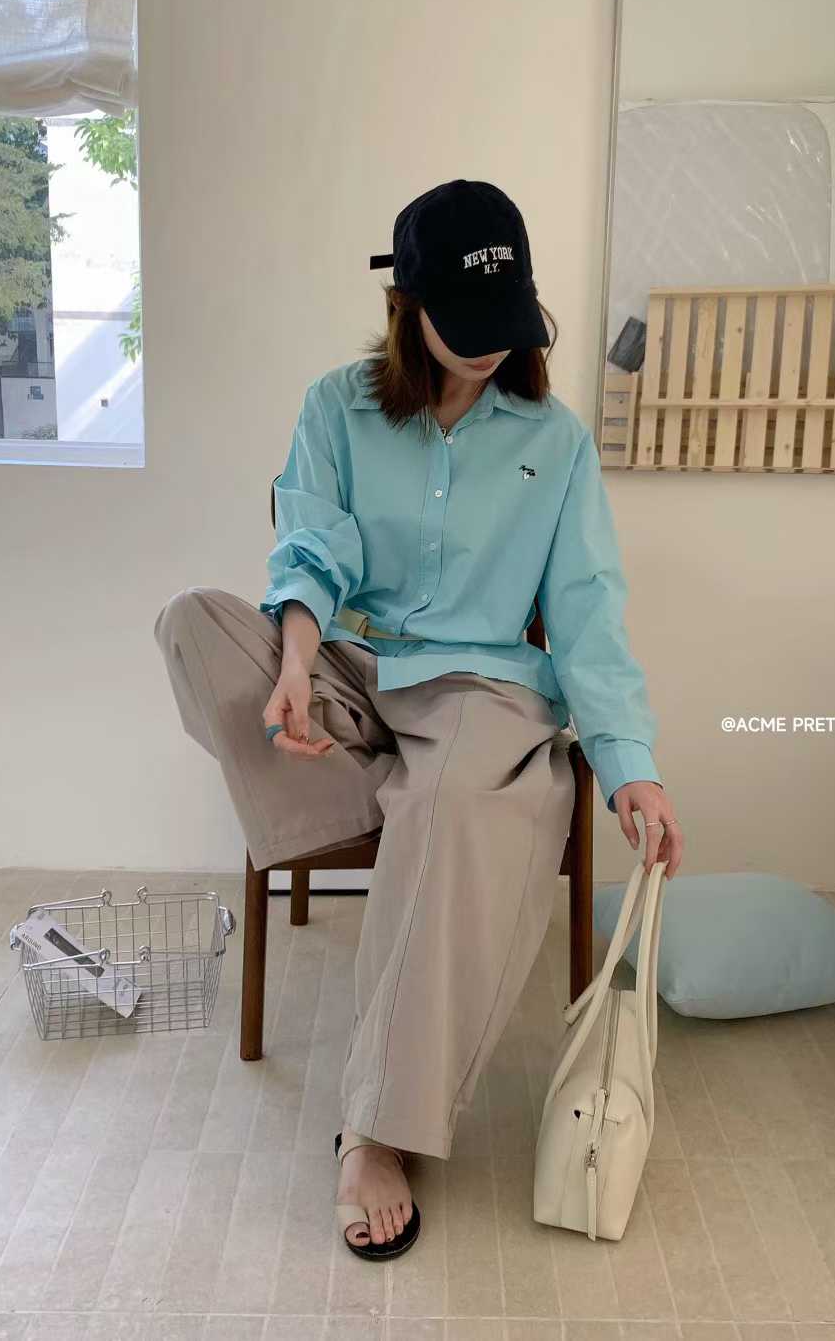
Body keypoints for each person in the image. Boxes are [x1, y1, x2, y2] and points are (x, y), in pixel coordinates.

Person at [153, 178, 683, 1263]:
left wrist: (631, 763)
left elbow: (587, 609)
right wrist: (294, 663)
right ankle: (414, 810)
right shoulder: (336, 406)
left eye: (505, 320)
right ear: (406, 303)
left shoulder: (555, 441)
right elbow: (310, 550)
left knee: (453, 784)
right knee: (193, 624)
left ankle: (377, 1129)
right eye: (463, 320)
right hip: (351, 668)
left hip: (481, 685)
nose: (489, 344)